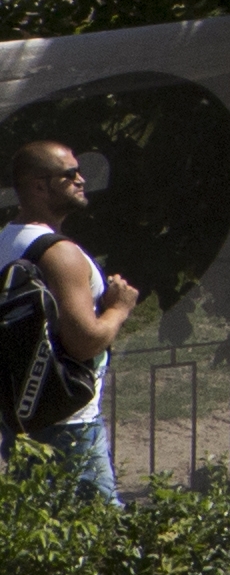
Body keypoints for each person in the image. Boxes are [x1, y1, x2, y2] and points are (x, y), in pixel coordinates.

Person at [0, 137, 136, 506]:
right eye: (69, 174)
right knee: (103, 542)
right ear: (38, 185)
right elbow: (84, 341)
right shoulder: (60, 254)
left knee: (44, 536)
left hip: (19, 418)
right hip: (70, 422)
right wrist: (119, 308)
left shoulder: (4, 243)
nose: (81, 180)